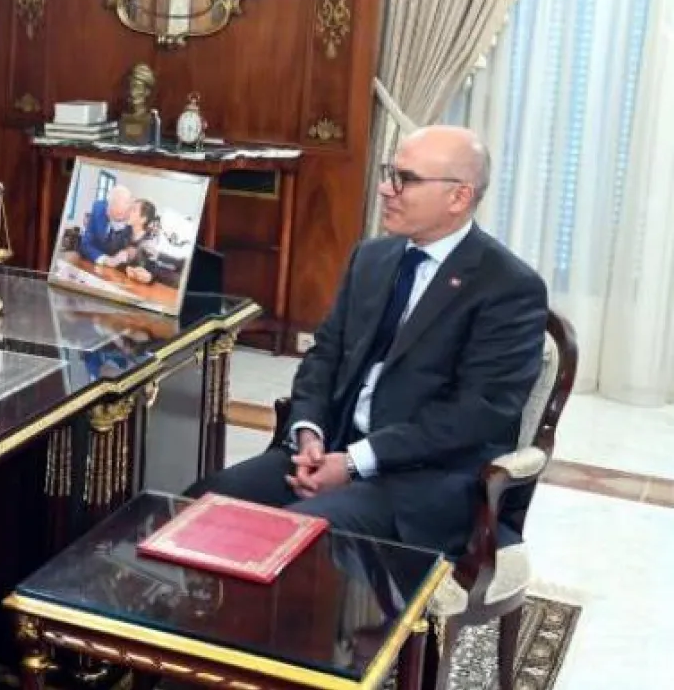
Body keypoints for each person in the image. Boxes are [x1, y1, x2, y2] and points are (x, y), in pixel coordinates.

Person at [184, 125, 548, 559]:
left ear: (459, 197)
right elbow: (324, 357)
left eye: (405, 179)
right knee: (203, 502)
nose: (384, 189)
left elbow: (475, 415)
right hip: (331, 450)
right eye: (388, 173)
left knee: (304, 541)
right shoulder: (372, 258)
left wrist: (355, 462)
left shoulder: (508, 286)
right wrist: (308, 433)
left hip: (422, 481)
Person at [75, 184, 135, 266]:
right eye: (116, 214)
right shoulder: (98, 208)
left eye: (123, 215)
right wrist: (105, 260)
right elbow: (85, 244)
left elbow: (135, 249)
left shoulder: (135, 218)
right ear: (108, 207)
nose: (119, 219)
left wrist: (128, 253)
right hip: (93, 262)